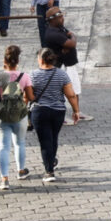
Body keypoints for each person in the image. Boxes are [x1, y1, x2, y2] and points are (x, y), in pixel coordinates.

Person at [0, 45, 33, 189]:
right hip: (19, 115)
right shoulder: (24, 76)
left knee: (3, 147)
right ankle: (21, 171)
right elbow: (29, 96)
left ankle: (4, 179)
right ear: (18, 60)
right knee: (20, 143)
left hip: (1, 115)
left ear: (4, 60)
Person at [30, 48, 79, 182]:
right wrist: (76, 111)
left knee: (45, 141)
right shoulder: (62, 74)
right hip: (58, 111)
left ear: (40, 59)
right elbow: (70, 94)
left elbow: (29, 96)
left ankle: (49, 171)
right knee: (53, 137)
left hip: (40, 111)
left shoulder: (33, 75)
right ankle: (51, 160)